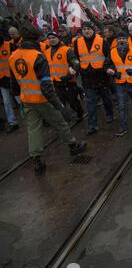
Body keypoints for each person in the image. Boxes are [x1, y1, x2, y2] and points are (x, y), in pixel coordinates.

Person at [9, 23, 86, 175]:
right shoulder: (38, 57)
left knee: (33, 129)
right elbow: (46, 88)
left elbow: (14, 84)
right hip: (43, 99)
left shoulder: (13, 56)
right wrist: (60, 107)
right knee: (60, 122)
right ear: (37, 38)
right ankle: (72, 145)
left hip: (26, 99)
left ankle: (37, 158)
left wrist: (20, 98)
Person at [74, 21, 114, 135]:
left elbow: (108, 57)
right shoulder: (77, 42)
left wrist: (107, 68)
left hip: (101, 76)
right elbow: (76, 58)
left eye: (89, 29)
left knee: (106, 98)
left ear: (93, 30)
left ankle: (110, 114)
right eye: (84, 29)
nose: (86, 31)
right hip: (87, 77)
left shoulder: (102, 41)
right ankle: (92, 125)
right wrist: (78, 68)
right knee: (90, 102)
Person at [105, 31, 132, 136]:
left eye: (123, 38)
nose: (121, 40)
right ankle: (123, 127)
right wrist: (112, 71)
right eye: (119, 39)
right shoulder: (112, 52)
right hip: (120, 83)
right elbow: (107, 65)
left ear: (127, 40)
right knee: (122, 105)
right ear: (116, 41)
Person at [45, 31, 84, 122]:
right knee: (60, 101)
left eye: (54, 38)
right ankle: (67, 117)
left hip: (68, 81)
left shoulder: (67, 50)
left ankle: (79, 113)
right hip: (55, 81)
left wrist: (70, 74)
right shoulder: (46, 52)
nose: (52, 40)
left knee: (72, 100)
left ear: (58, 38)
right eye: (50, 38)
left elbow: (76, 64)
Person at [0, 32, 19, 133]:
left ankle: (35, 118)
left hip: (13, 78)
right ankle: (12, 123)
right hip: (1, 80)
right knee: (7, 102)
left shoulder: (10, 45)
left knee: (20, 99)